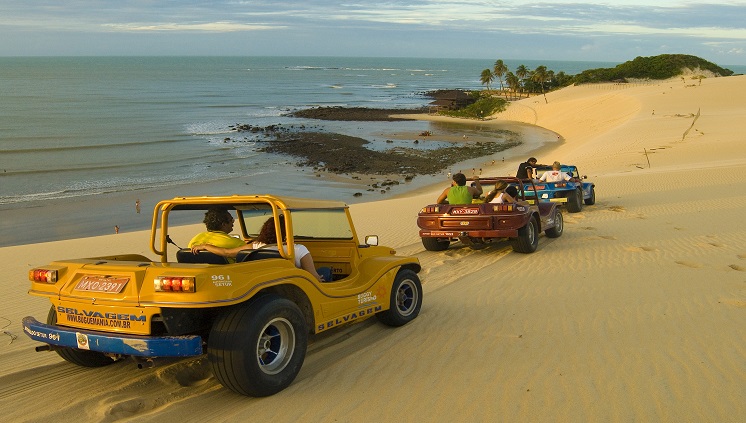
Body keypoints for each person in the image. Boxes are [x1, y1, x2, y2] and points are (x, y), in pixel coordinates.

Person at [191, 216, 328, 282]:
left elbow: (225, 253)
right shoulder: (298, 249)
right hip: (295, 283)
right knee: (325, 272)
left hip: (265, 282)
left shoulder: (254, 246)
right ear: (286, 231)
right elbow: (313, 277)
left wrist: (204, 246)